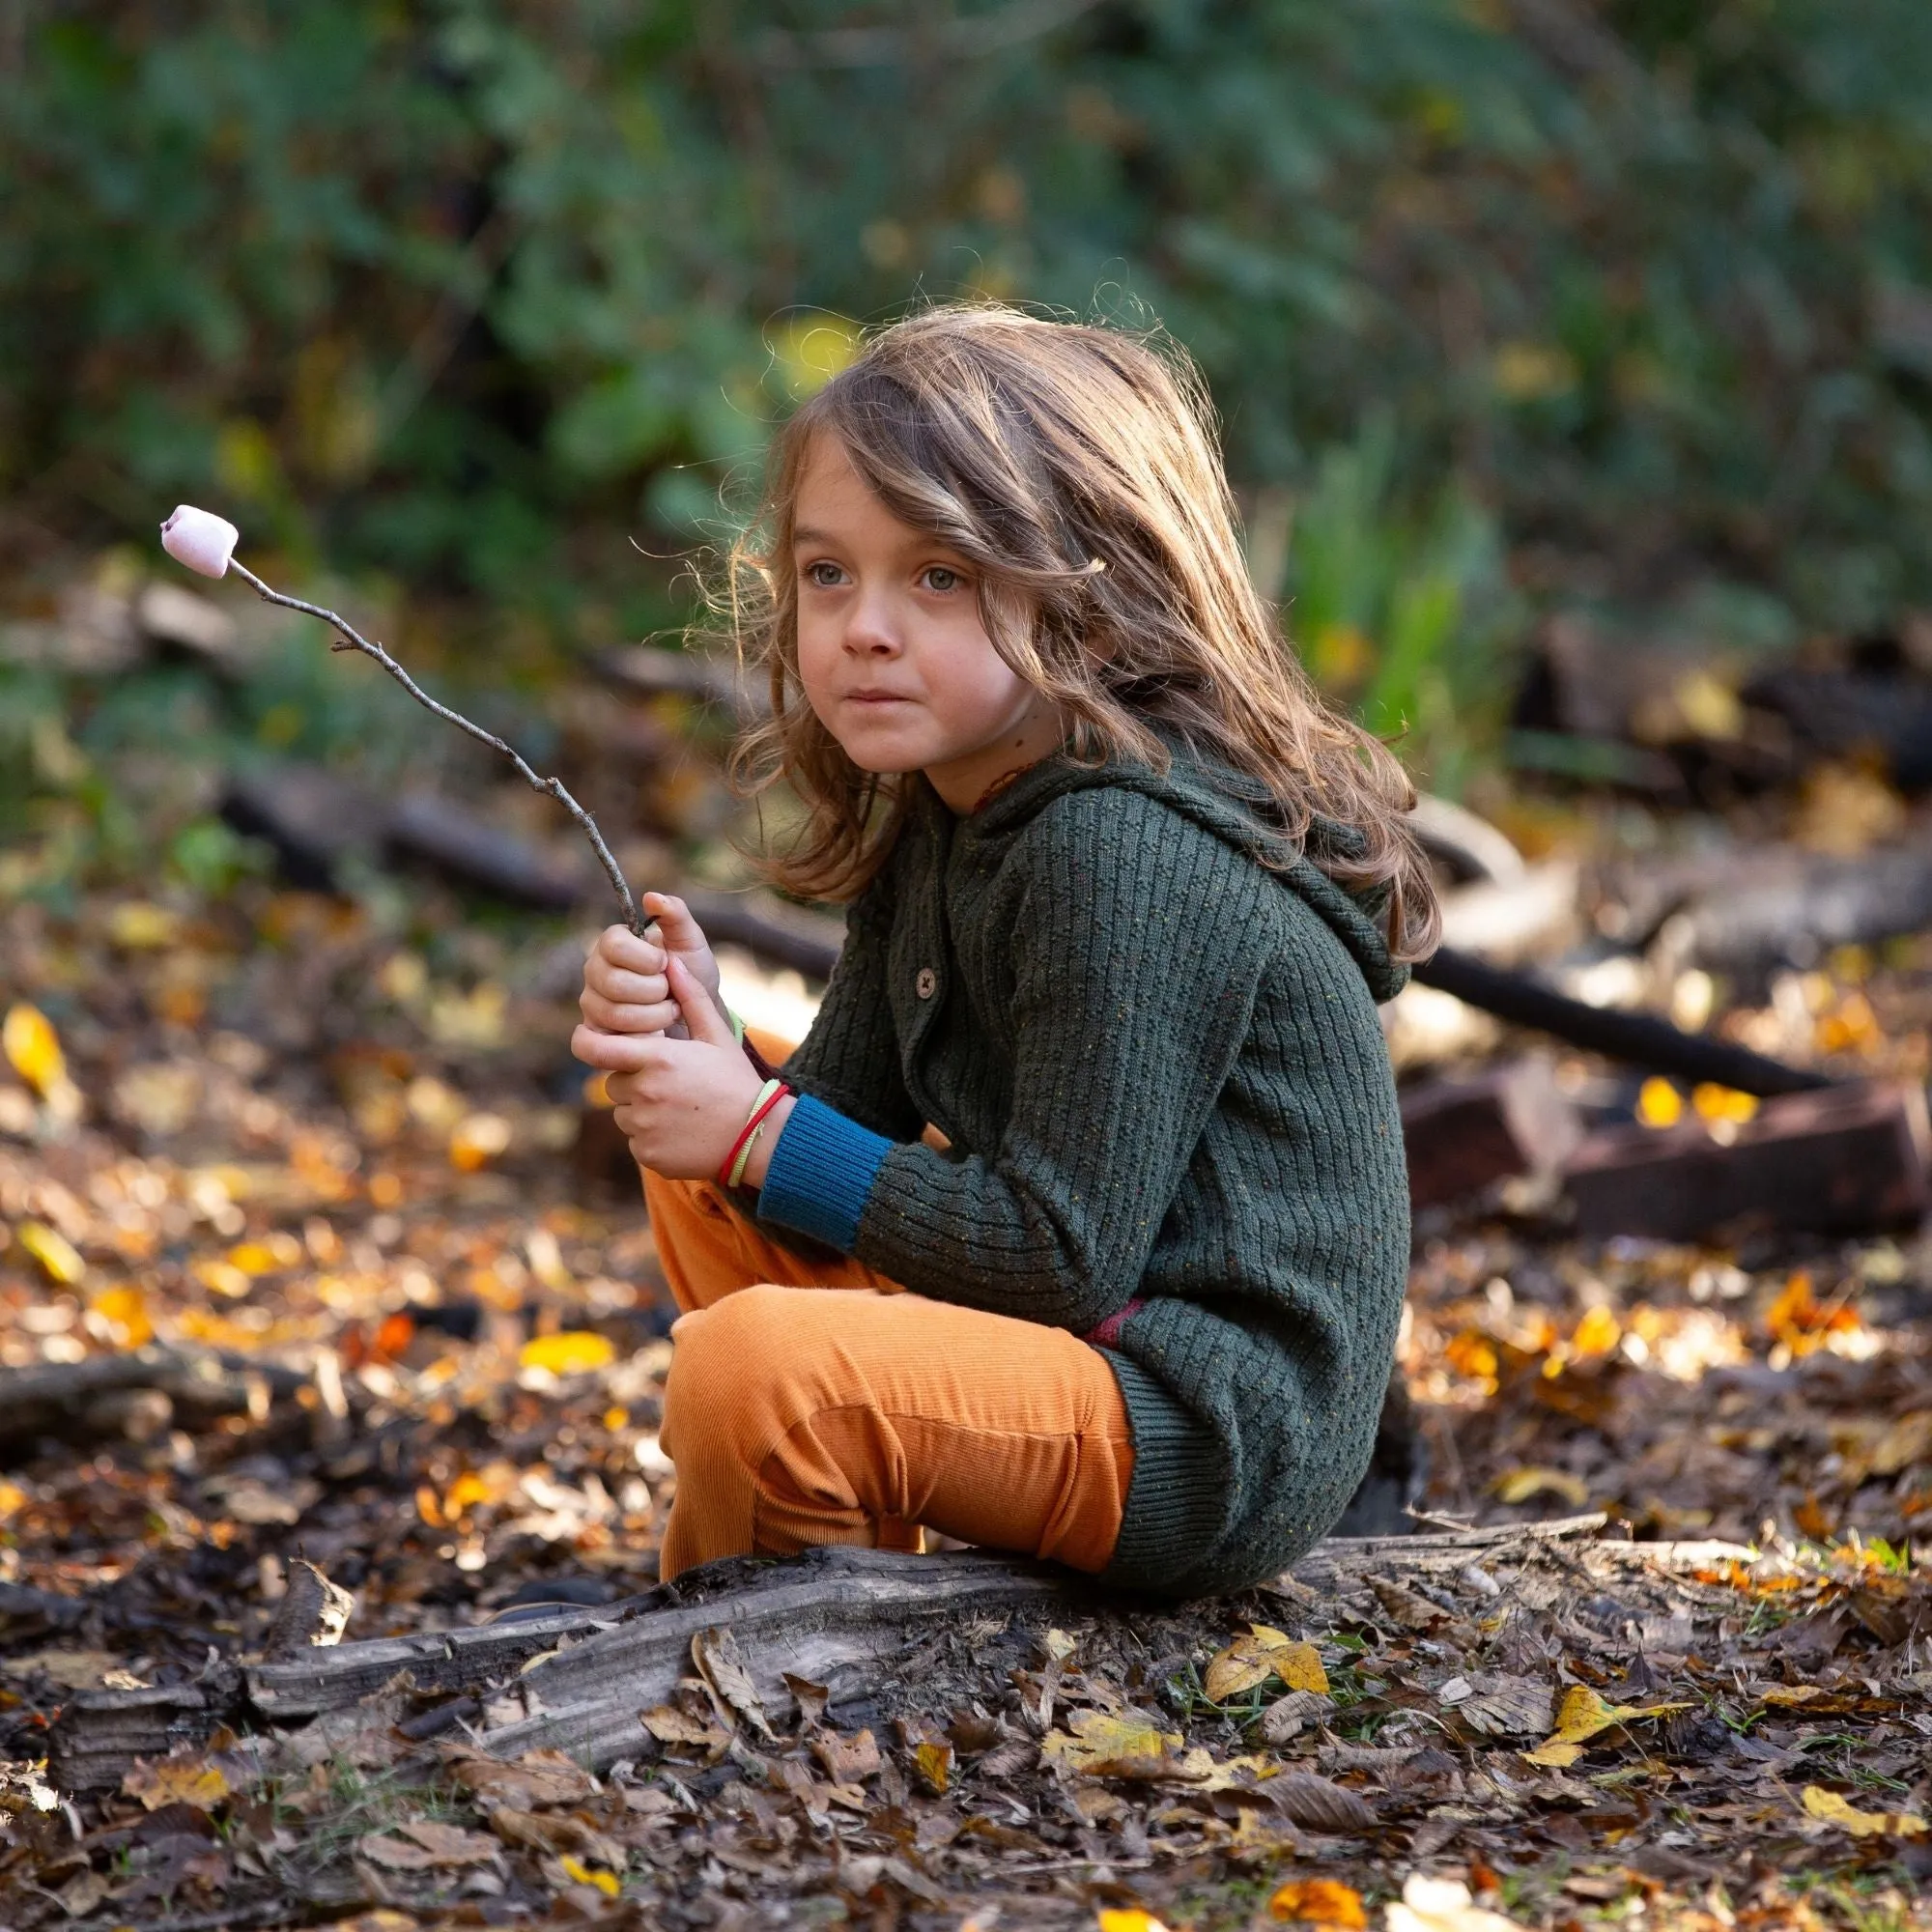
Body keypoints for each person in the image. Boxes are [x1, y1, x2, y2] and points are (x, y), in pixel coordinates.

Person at [572, 303, 1436, 1598]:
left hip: (1199, 1419)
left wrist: (754, 1129)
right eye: (826, 574)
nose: (863, 627)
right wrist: (702, 1057)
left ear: (1093, 603)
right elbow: (827, 1121)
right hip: (1075, 1337)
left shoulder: (1116, 853)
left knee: (753, 1369)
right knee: (691, 1152)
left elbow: (1059, 1249)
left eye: (938, 576)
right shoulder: (949, 809)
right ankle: (824, 1582)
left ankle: (761, 1660)